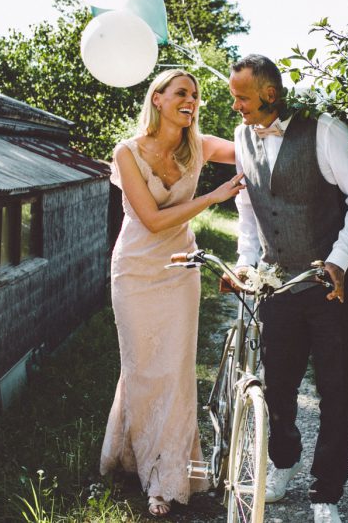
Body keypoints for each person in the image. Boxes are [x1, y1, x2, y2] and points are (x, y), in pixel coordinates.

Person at [229, 54, 348, 523]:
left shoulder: (325, 130)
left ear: (270, 94)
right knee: (279, 385)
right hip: (278, 284)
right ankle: (284, 463)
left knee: (335, 389)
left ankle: (326, 494)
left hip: (332, 284)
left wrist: (337, 262)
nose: (236, 106)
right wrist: (244, 263)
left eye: (243, 97)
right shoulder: (241, 136)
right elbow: (250, 212)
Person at [100, 69, 244, 518]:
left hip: (181, 270)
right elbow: (153, 220)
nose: (192, 101)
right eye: (182, 93)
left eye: (196, 96)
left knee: (176, 372)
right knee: (142, 367)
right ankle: (133, 455)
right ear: (157, 99)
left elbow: (255, 149)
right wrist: (213, 197)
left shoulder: (199, 146)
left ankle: (165, 479)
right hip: (136, 272)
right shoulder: (127, 152)